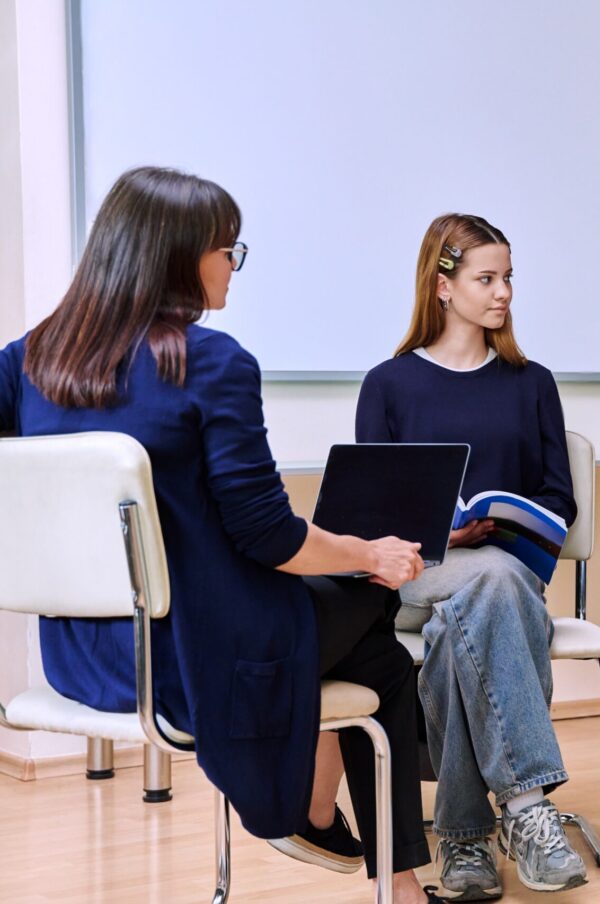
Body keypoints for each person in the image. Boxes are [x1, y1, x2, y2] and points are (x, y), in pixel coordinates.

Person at [0, 167, 438, 904]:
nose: (233, 266)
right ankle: (338, 832)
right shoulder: (211, 361)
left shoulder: (30, 358)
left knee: (375, 655)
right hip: (188, 670)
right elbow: (270, 536)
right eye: (227, 249)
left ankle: (330, 823)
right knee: (374, 609)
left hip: (78, 661)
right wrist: (372, 552)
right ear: (178, 255)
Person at [355, 213, 584, 899]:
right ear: (443, 285)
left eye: (509, 277)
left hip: (504, 573)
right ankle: (526, 805)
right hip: (417, 571)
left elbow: (557, 499)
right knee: (485, 589)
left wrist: (504, 522)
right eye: (487, 278)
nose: (504, 292)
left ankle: (463, 841)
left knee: (466, 625)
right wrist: (444, 534)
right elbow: (371, 511)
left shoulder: (530, 381)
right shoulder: (389, 384)